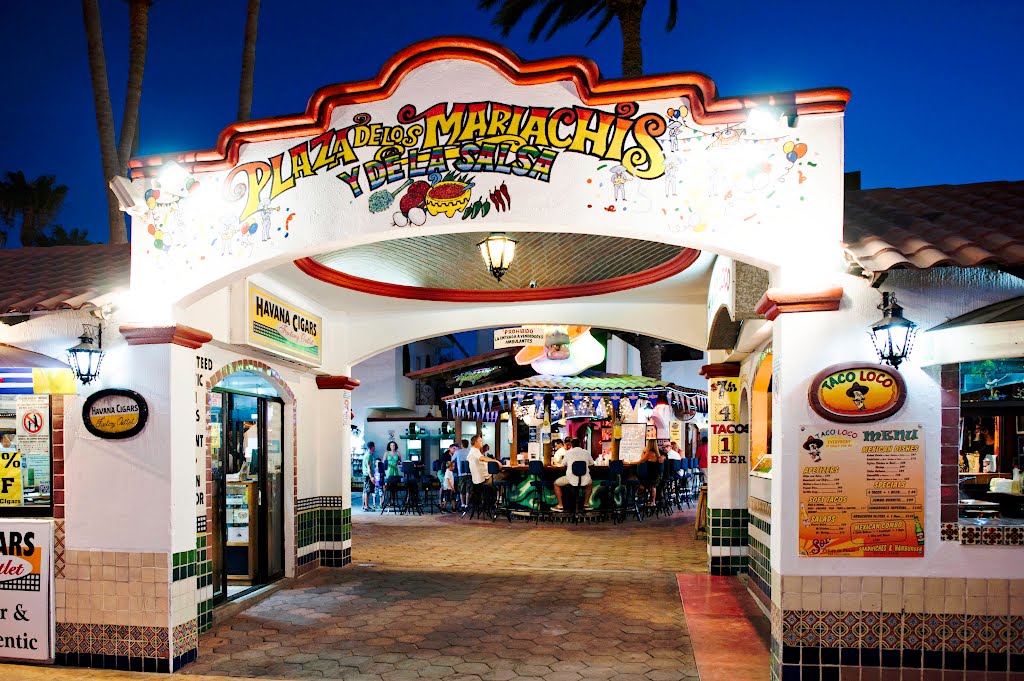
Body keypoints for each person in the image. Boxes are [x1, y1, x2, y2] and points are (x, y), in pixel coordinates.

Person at [553, 436, 595, 511]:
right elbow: (592, 463)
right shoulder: (586, 452)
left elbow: (563, 463)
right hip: (584, 478)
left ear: (572, 445)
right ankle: (585, 504)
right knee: (590, 483)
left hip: (571, 479)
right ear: (580, 444)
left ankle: (560, 505)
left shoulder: (568, 453)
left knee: (556, 483)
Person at [638, 439, 665, 506]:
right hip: (658, 475)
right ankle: (652, 501)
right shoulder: (658, 453)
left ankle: (647, 499)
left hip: (651, 476)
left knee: (637, 478)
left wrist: (643, 452)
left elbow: (641, 461)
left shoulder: (649, 453)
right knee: (653, 486)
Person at [453, 439, 471, 508]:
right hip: (469, 473)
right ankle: (467, 504)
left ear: (462, 445)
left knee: (462, 489)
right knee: (468, 490)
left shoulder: (457, 452)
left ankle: (462, 504)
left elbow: (452, 459)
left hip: (461, 473)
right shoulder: (470, 451)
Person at [362, 442, 377, 512]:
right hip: (367, 475)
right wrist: (371, 477)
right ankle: (366, 506)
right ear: (371, 447)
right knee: (367, 491)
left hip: (367, 475)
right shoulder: (368, 456)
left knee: (366, 490)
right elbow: (368, 467)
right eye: (374, 447)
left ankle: (365, 505)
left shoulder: (368, 455)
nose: (375, 448)